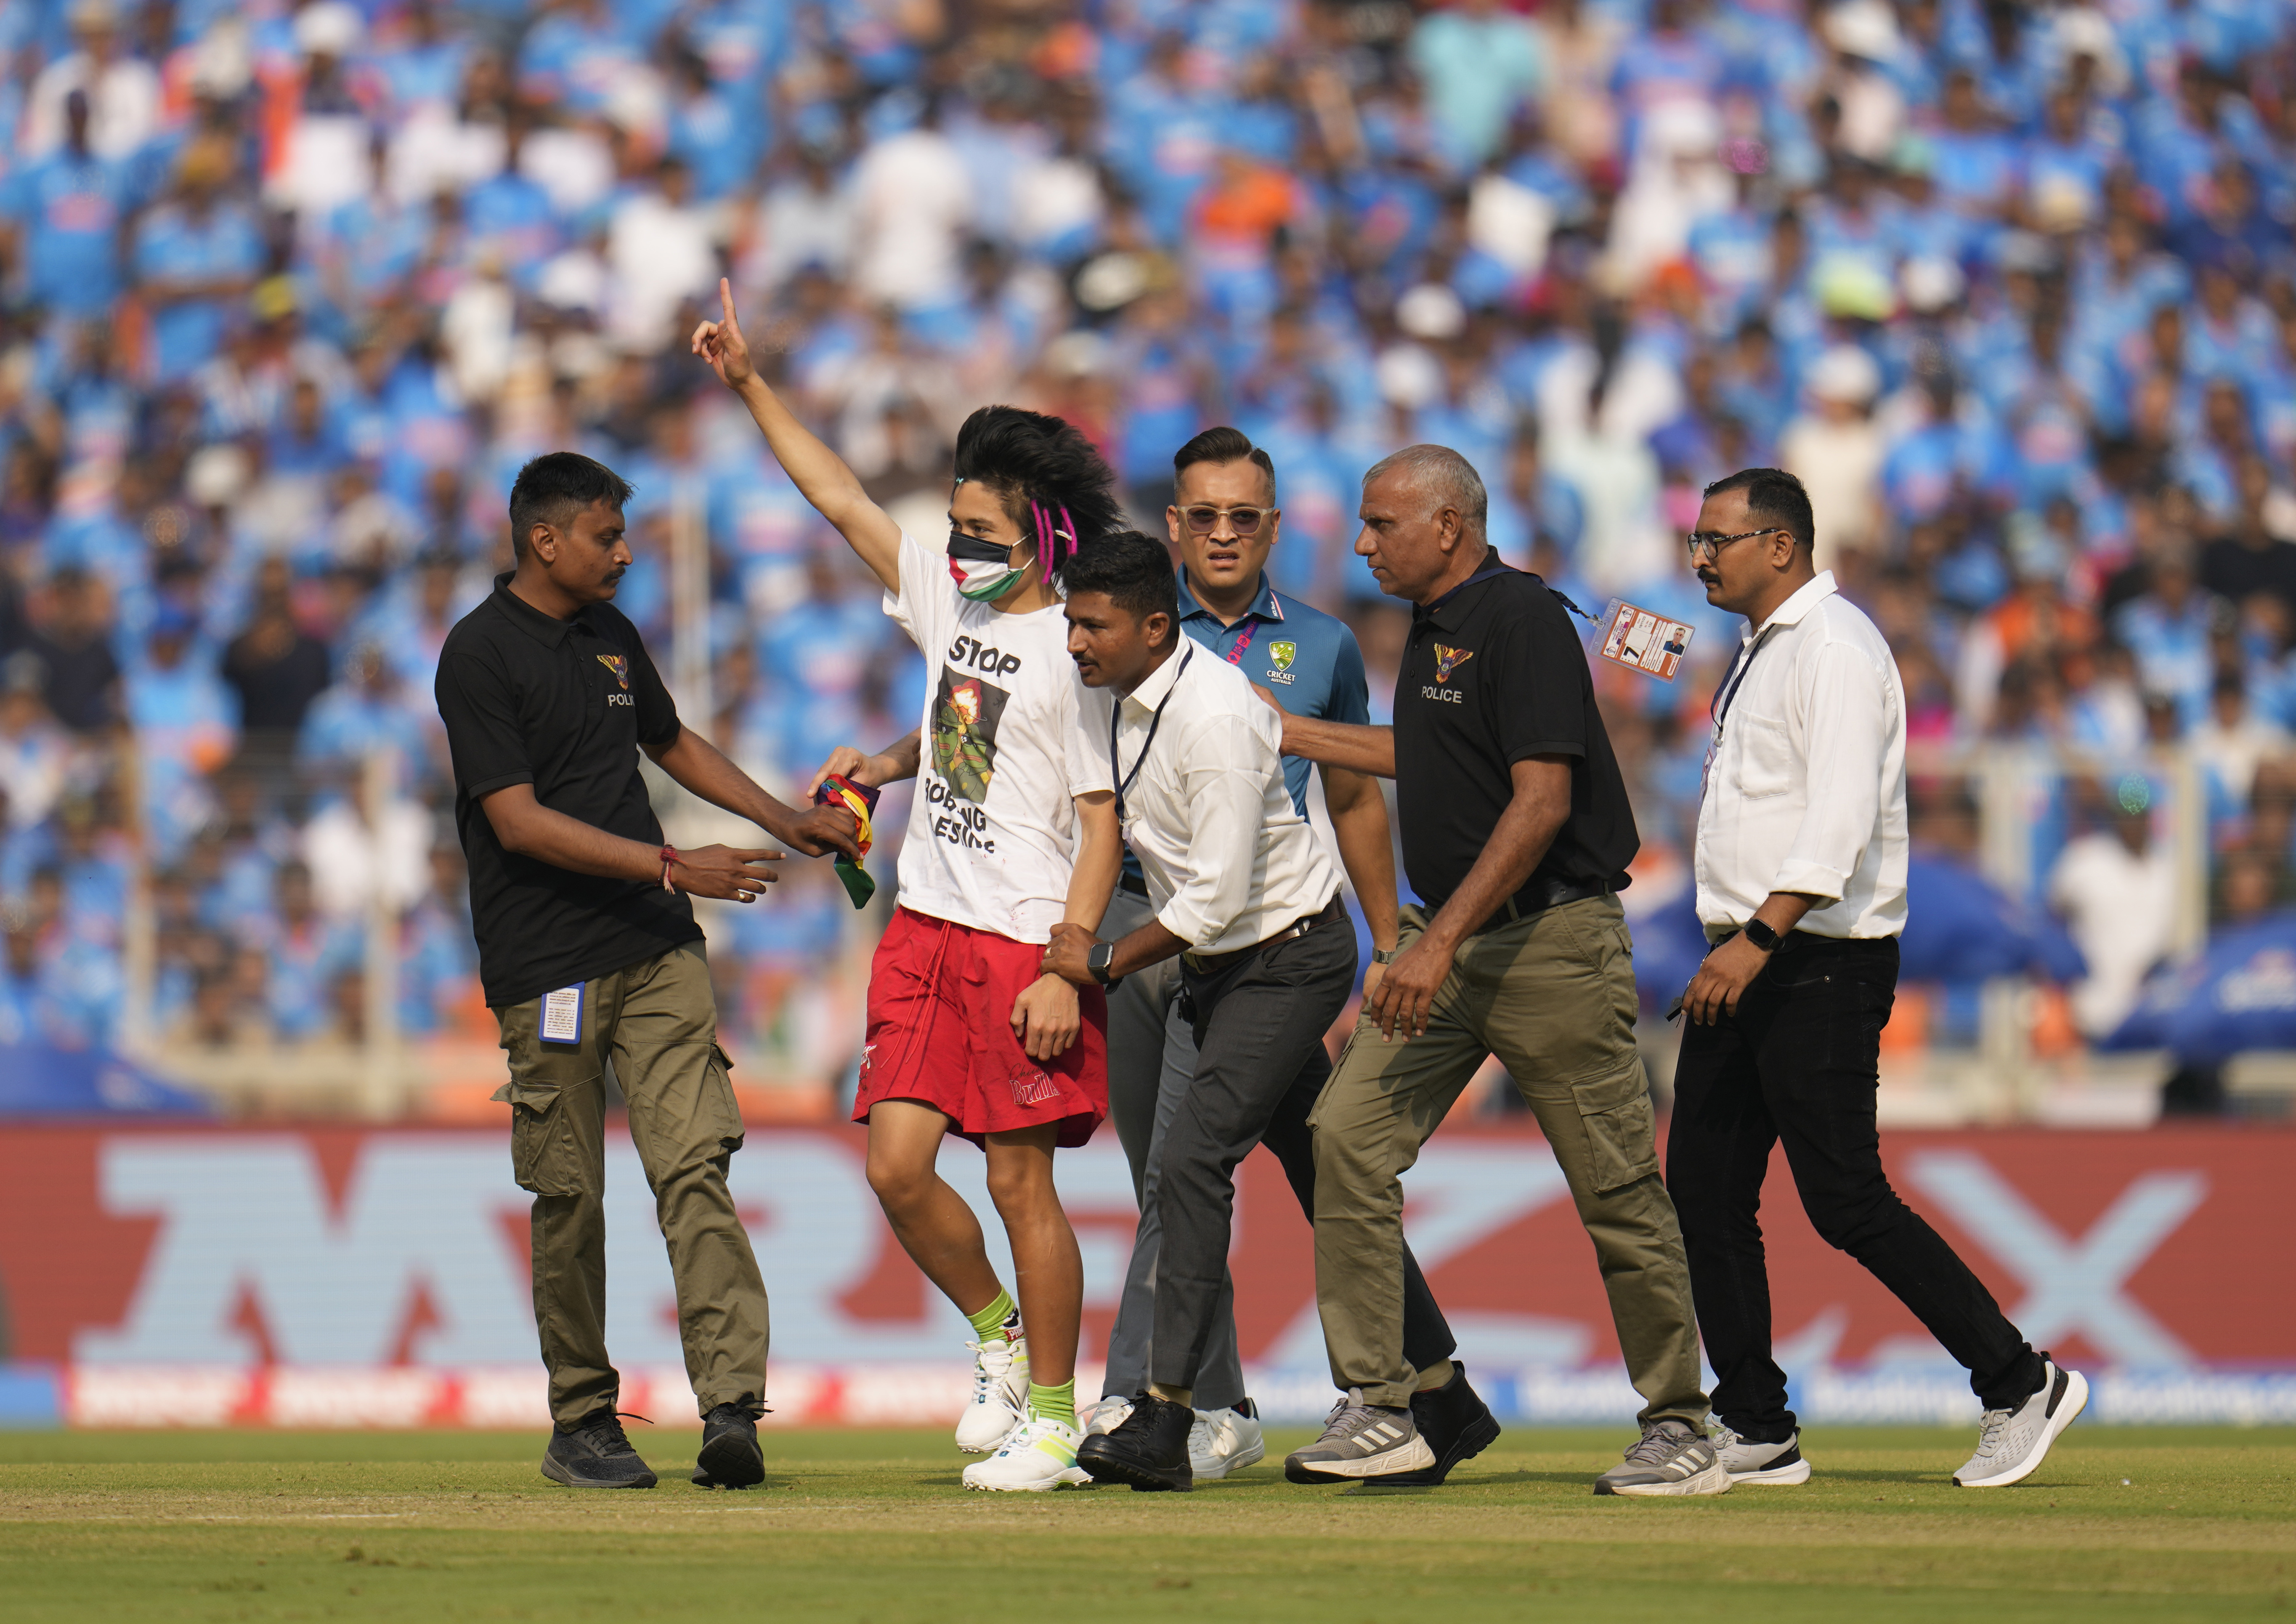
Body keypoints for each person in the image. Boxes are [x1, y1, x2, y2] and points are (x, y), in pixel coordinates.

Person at [692, 280, 1125, 1494]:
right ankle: (996, 1343)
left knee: (1016, 1177)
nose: (959, 542)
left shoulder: (1082, 650)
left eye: (982, 525)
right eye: (955, 521)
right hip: (924, 925)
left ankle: (1053, 1416)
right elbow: (834, 496)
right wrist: (750, 385)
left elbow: (1099, 820)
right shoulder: (947, 591)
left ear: (1041, 533)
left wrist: (1066, 960)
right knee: (893, 1167)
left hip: (1025, 940)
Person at [1265, 444, 1725, 1497]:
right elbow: (1432, 756)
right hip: (1456, 940)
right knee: (1342, 1137)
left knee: (1613, 1187)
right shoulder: (1437, 623)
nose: (1363, 542)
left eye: (1383, 523)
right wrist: (1291, 731)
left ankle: (1681, 1424)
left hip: (1548, 946)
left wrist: (1429, 942)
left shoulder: (1517, 620)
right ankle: (1388, 1403)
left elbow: (1541, 801)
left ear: (1449, 526)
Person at [434, 452, 861, 1493]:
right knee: (569, 1194)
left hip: (656, 946)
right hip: (550, 968)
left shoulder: (613, 637)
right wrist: (677, 861)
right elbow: (517, 822)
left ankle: (730, 1411)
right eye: (606, 537)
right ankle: (582, 1418)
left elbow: (670, 743)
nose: (625, 555)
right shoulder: (478, 655)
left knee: (694, 1166)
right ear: (545, 540)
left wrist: (781, 818)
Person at [1669, 466, 2089, 1489]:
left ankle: (2017, 1379)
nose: (1698, 556)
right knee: (1702, 1186)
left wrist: (1757, 938)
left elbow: (1839, 817)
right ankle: (1756, 1421)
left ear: (1780, 545)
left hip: (1811, 956)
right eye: (1695, 538)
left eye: (1715, 539)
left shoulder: (1837, 648)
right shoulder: (1760, 648)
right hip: (1752, 951)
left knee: (1844, 1198)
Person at [1035, 531, 1461, 1492]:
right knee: (1321, 1175)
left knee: (1187, 1165)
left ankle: (1166, 1411)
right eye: (1069, 620)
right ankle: (1443, 1390)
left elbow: (1213, 904)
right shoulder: (1103, 693)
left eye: (1091, 624)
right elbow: (1111, 822)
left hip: (1285, 958)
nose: (1074, 641)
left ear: (1154, 626)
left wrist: (1101, 959)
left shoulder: (1219, 720)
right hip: (1229, 967)